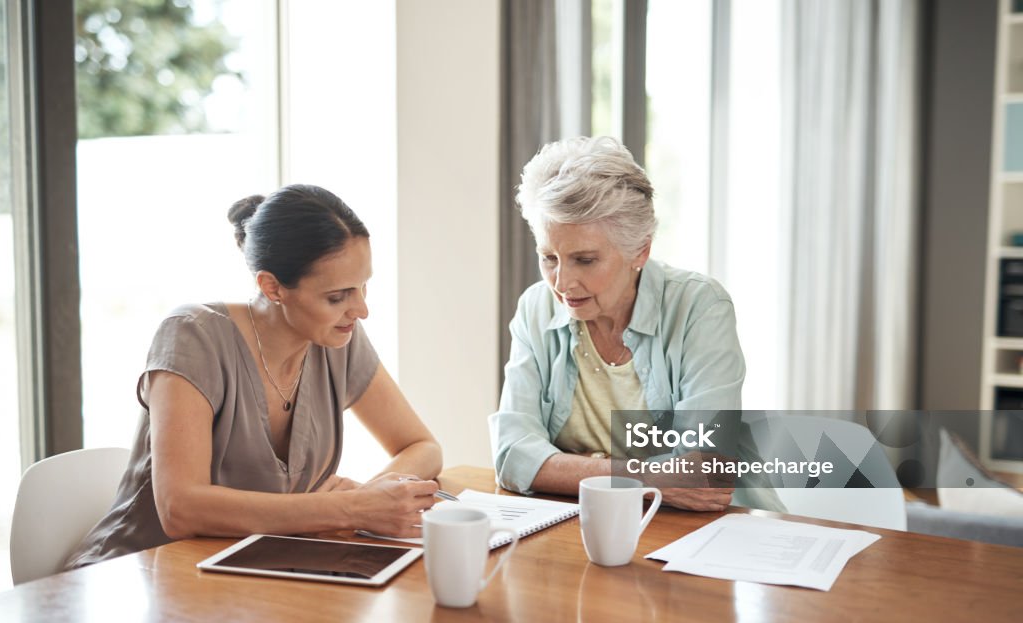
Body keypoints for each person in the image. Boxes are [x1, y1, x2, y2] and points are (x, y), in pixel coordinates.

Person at [65, 184, 441, 569]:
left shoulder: (337, 340)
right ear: (272, 286)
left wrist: (373, 495)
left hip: (251, 578)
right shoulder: (193, 336)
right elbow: (181, 509)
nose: (361, 310)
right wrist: (347, 509)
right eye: (337, 296)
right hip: (134, 576)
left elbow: (422, 447)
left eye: (363, 287)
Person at [489, 136, 773, 512]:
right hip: (586, 523)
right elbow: (512, 455)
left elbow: (703, 474)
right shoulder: (536, 308)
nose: (561, 283)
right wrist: (643, 479)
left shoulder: (699, 307)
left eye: (585, 260)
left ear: (640, 250)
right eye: (549, 257)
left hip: (701, 530)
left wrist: (571, 470)